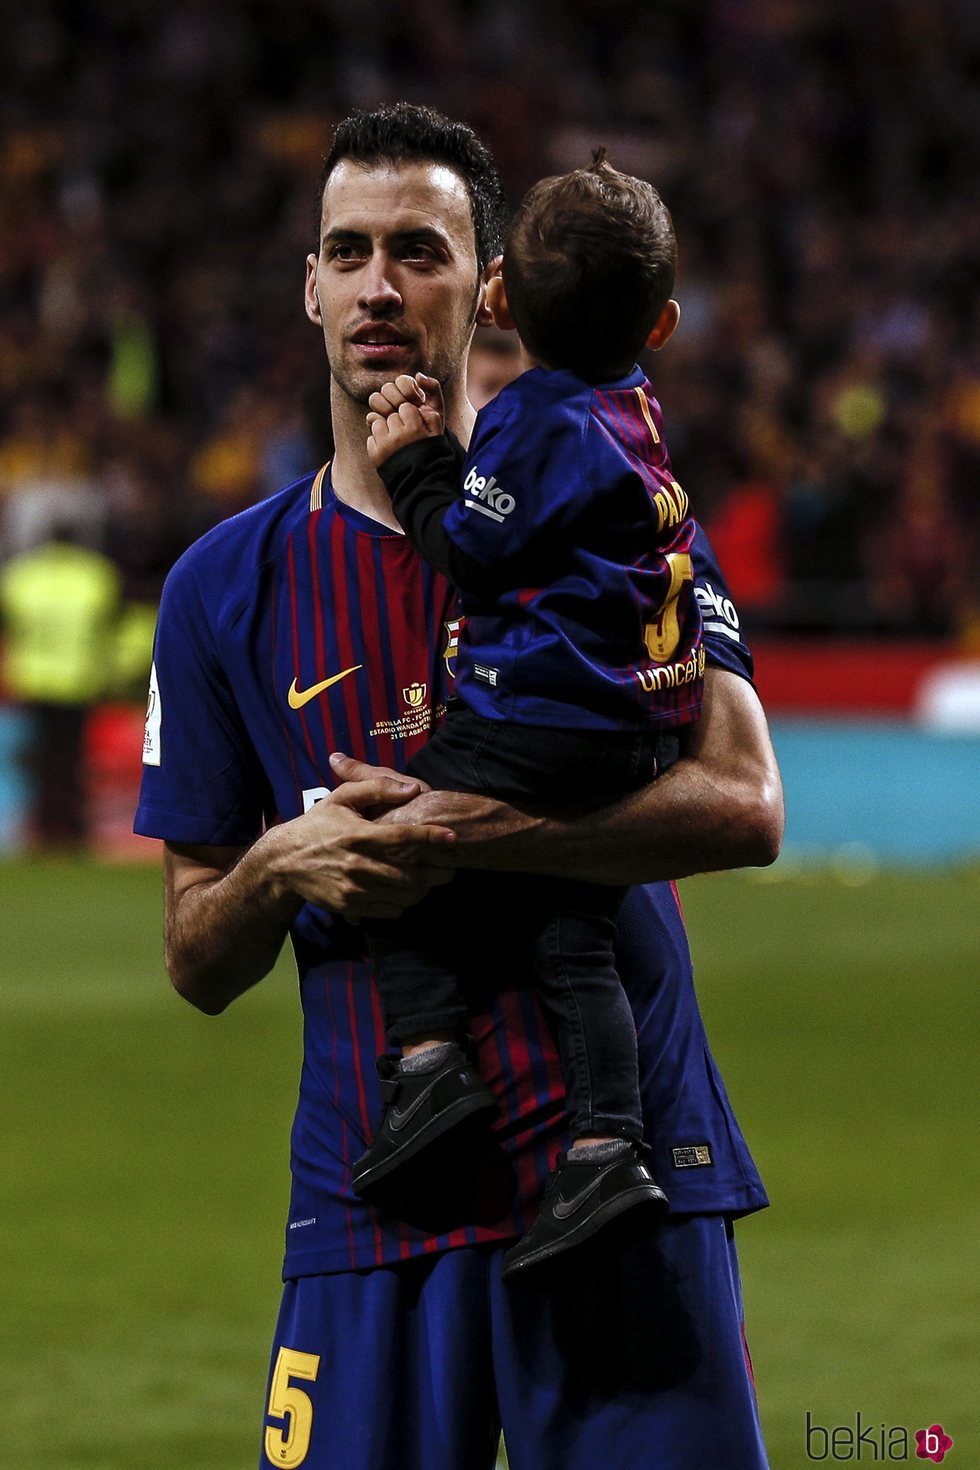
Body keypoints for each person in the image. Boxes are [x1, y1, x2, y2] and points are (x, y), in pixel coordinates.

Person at [135, 103, 782, 1470]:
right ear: (307, 283)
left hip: (624, 1177)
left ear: (487, 282)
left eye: (417, 251)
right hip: (380, 1190)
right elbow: (196, 953)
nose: (379, 285)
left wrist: (485, 829)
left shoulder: (611, 500)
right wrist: (274, 866)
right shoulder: (216, 590)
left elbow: (746, 802)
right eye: (348, 251)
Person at [354, 151, 704, 1282]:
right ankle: (606, 1145)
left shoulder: (534, 412)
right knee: (573, 935)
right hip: (638, 721)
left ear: (494, 292)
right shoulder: (634, 409)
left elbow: (475, 550)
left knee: (397, 835)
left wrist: (416, 467)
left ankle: (426, 1064)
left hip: (544, 716)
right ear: (659, 325)